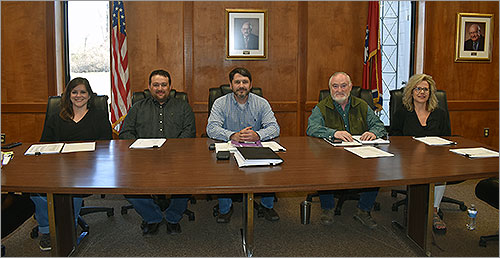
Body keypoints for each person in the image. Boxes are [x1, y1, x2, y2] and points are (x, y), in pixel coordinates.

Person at [32, 77, 112, 251]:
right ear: (68, 95)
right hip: (59, 166)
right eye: (74, 92)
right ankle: (47, 229)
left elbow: (107, 144)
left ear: (90, 95)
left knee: (72, 187)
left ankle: (69, 226)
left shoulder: (98, 116)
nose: (78, 96)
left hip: (90, 167)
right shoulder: (56, 117)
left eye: (83, 92)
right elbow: (45, 143)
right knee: (32, 188)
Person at [120, 69, 196, 236]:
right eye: (156, 85)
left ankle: (173, 217)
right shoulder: (137, 107)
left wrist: (172, 150)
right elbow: (125, 133)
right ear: (149, 87)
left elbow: (189, 133)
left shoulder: (183, 107)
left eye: (164, 85)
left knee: (187, 182)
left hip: (176, 159)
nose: (160, 88)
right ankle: (152, 217)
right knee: (126, 185)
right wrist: (140, 147)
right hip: (143, 159)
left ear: (170, 86)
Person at [306, 71, 387, 228]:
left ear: (350, 87)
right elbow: (311, 128)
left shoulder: (362, 105)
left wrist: (373, 132)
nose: (339, 90)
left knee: (376, 169)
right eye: (335, 86)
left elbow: (379, 126)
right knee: (323, 169)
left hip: (360, 154)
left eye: (343, 86)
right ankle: (328, 208)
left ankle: (363, 210)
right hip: (332, 156)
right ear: (330, 89)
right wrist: (334, 133)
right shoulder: (322, 107)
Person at [206, 67, 280, 223]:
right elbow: (211, 128)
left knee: (270, 166)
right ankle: (225, 208)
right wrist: (232, 135)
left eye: (245, 82)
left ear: (251, 85)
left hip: (256, 147)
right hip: (230, 147)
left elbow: (274, 128)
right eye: (237, 82)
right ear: (231, 85)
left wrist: (258, 135)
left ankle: (267, 205)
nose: (241, 85)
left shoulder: (261, 103)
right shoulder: (220, 103)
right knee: (222, 168)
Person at [390, 73, 451, 234]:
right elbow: (394, 137)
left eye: (426, 89)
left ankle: (434, 211)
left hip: (434, 157)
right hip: (409, 158)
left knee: (440, 171)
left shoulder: (439, 114)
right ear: (411, 91)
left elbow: (447, 136)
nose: (422, 92)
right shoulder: (402, 113)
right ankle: (416, 210)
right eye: (418, 89)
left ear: (430, 93)